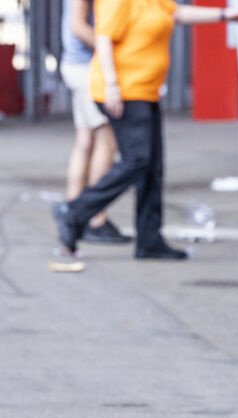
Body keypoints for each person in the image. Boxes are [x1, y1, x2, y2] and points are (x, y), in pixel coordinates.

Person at [52, 0, 238, 260]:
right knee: (137, 160)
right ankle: (76, 211)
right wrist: (113, 85)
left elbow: (176, 13)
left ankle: (149, 240)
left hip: (145, 90)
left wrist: (224, 15)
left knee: (152, 166)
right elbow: (104, 38)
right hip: (123, 91)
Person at [59, 0, 130, 244]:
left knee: (85, 140)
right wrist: (111, 50)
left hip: (80, 65)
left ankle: (72, 207)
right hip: (87, 68)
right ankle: (94, 216)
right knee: (107, 141)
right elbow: (78, 26)